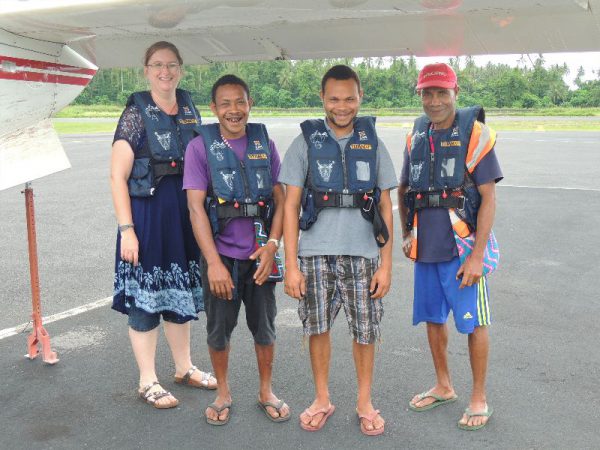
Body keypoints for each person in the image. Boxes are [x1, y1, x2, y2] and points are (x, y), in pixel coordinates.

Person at [281, 65, 396, 436]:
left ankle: (365, 402)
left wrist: (387, 265)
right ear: (322, 98)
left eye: (349, 98)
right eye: (334, 98)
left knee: (365, 331)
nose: (342, 106)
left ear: (360, 97)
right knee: (316, 328)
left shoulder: (374, 143)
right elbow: (290, 205)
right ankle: (321, 398)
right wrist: (291, 265)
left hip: (362, 255)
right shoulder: (304, 143)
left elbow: (385, 206)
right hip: (314, 253)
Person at [110, 41, 217, 410]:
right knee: (147, 299)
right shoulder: (135, 115)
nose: (165, 71)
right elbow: (116, 176)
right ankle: (147, 379)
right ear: (146, 70)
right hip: (148, 219)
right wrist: (127, 230)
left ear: (181, 69)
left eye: (171, 65)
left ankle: (184, 367)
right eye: (157, 65)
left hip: (183, 217)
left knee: (179, 294)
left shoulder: (188, 106)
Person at [398, 63, 503, 430]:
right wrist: (405, 233)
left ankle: (478, 397)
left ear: (455, 92)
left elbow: (488, 198)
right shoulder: (416, 134)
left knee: (475, 323)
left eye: (442, 92)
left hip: (462, 248)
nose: (434, 100)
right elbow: (405, 189)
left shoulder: (474, 134)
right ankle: (443, 385)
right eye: (427, 92)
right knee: (432, 319)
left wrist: (477, 256)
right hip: (426, 247)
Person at [184, 74, 289, 426]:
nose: (234, 110)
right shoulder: (199, 148)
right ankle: (223, 392)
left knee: (265, 328)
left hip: (260, 257)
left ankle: (265, 391)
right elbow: (196, 208)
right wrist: (213, 263)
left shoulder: (265, 143)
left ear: (250, 104)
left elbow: (280, 198)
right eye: (225, 103)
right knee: (218, 331)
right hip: (223, 259)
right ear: (213, 109)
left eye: (240, 101)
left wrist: (273, 246)